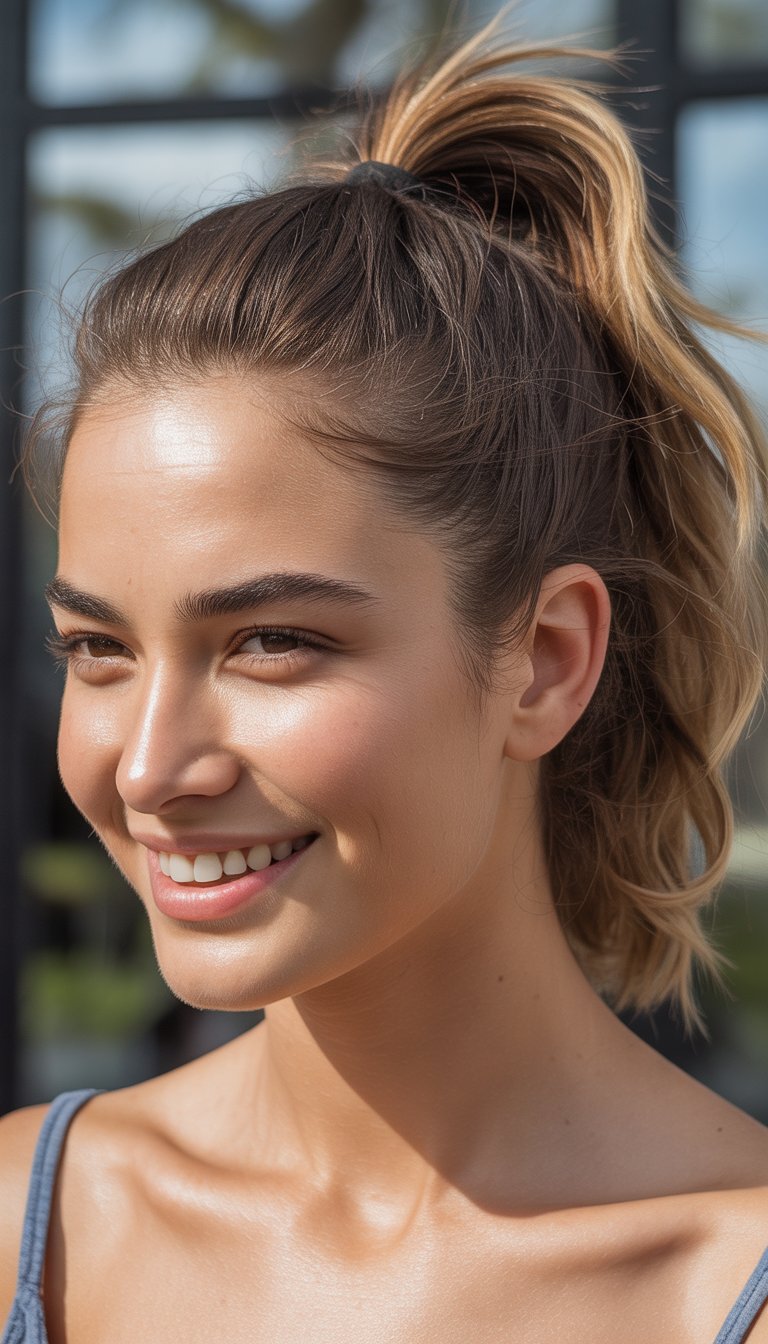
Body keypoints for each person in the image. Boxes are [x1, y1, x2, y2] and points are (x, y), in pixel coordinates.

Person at [2, 16, 767, 1343]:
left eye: (270, 642)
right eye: (99, 651)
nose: (149, 769)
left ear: (545, 661)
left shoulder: (724, 1285)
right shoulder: (28, 1222)